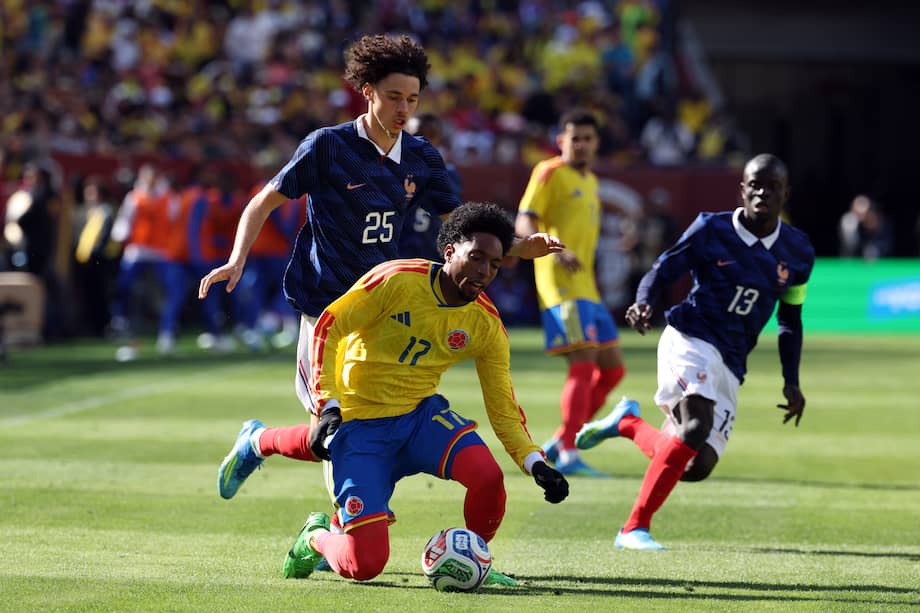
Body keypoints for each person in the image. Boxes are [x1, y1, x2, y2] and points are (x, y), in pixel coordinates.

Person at [200, 35, 560, 431]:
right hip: (326, 299)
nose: (403, 108)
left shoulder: (423, 156)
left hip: (382, 301)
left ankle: (264, 443)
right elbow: (262, 203)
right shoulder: (327, 146)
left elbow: (458, 221)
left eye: (412, 99)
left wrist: (518, 246)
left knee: (373, 423)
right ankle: (259, 442)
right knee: (327, 424)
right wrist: (236, 260)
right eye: (394, 97)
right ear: (368, 91)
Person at [224, 202, 569, 585]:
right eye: (476, 258)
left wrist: (534, 462)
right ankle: (315, 536)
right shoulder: (397, 280)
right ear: (449, 251)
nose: (484, 271)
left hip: (419, 420)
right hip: (358, 424)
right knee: (364, 565)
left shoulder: (485, 324)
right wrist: (328, 404)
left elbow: (503, 407)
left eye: (495, 264)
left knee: (488, 478)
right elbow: (330, 325)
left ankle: (474, 561)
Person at [575, 154, 815, 550]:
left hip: (732, 360)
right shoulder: (711, 228)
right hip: (691, 337)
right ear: (742, 189)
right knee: (695, 426)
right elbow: (663, 269)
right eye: (755, 185)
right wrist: (644, 301)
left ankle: (627, 423)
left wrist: (792, 381)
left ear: (785, 194)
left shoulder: (798, 250)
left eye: (772, 186)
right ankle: (633, 528)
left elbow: (790, 319)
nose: (762, 193)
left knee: (695, 464)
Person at [514, 109, 627, 477]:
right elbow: (525, 218)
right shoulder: (549, 172)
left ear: (596, 143)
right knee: (584, 362)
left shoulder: (590, 181)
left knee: (613, 369)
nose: (580, 144)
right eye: (574, 138)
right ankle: (569, 452)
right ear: (561, 141)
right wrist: (551, 247)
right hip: (560, 283)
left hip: (587, 286)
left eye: (587, 139)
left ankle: (562, 440)